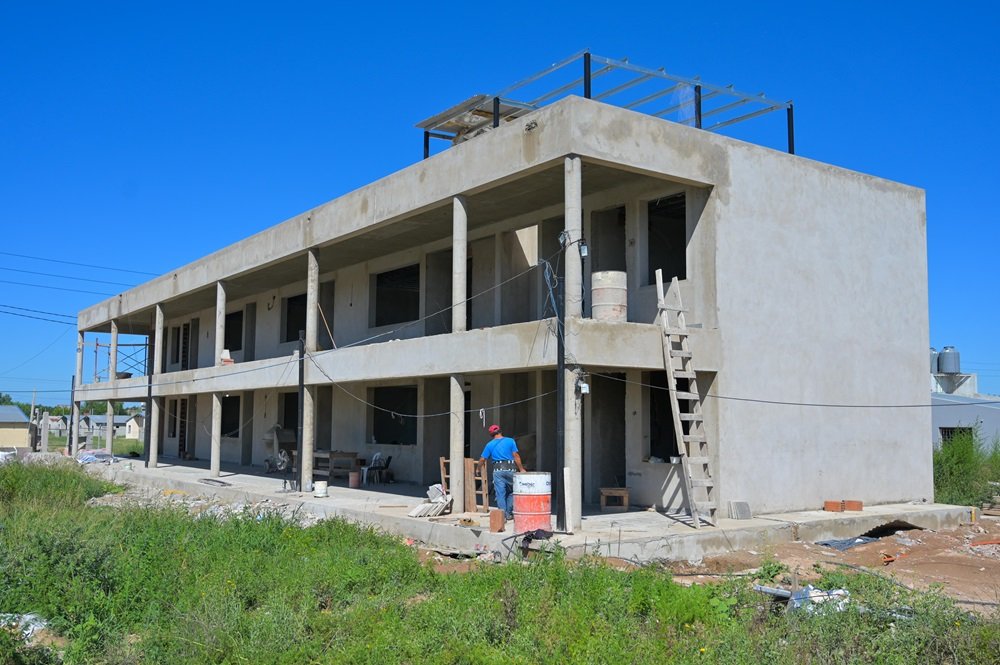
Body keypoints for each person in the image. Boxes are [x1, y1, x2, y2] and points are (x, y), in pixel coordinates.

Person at [479, 424, 525, 520]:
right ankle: (508, 513)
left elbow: (483, 459)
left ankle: (502, 516)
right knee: (512, 492)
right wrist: (521, 469)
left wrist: (478, 468)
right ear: (501, 431)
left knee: (500, 494)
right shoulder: (510, 441)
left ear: (491, 435)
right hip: (510, 469)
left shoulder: (489, 445)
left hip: (498, 471)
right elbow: (516, 456)